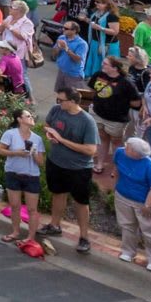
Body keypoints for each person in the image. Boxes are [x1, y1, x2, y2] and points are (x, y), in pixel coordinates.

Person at [42, 88, 100, 253]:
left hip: (78, 168)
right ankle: (54, 224)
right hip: (56, 162)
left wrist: (62, 140)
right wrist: (50, 134)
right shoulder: (56, 110)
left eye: (61, 100)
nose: (58, 103)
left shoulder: (87, 121)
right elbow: (48, 125)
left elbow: (90, 150)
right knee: (58, 194)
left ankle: (84, 237)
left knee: (81, 202)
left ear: (73, 101)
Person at [112, 136, 151, 271]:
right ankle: (128, 252)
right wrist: (115, 187)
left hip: (144, 202)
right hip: (123, 196)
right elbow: (116, 168)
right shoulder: (120, 152)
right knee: (127, 226)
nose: (125, 147)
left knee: (150, 232)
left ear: (135, 153)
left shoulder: (150, 165)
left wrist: (148, 205)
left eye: (128, 146)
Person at [0, 109, 45, 243]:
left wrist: (33, 153)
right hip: (13, 173)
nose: (31, 118)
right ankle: (15, 232)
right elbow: (0, 150)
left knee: (32, 209)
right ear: (19, 119)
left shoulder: (37, 138)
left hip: (31, 176)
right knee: (15, 205)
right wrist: (16, 152)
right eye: (28, 116)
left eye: (32, 116)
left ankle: (30, 237)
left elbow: (41, 162)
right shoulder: (10, 134)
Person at [89, 53, 140, 172]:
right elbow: (92, 89)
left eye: (105, 64)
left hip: (116, 119)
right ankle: (100, 163)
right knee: (102, 138)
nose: (102, 65)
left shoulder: (126, 83)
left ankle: (116, 167)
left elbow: (136, 103)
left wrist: (120, 102)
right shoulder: (98, 75)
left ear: (115, 68)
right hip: (98, 114)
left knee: (116, 142)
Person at [53, 19, 90, 96]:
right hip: (62, 71)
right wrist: (58, 48)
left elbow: (78, 59)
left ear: (74, 31)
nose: (63, 29)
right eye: (63, 27)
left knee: (71, 97)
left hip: (73, 74)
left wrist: (66, 48)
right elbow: (54, 54)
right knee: (60, 94)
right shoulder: (62, 38)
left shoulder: (82, 44)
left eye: (66, 28)